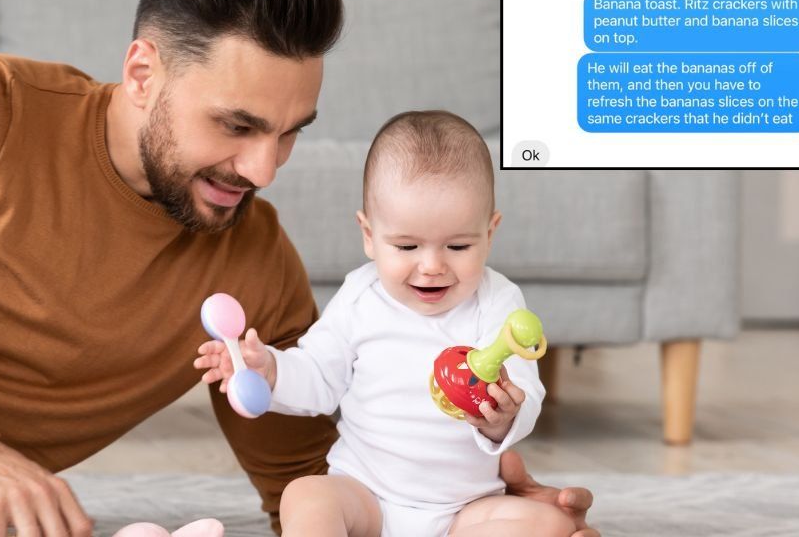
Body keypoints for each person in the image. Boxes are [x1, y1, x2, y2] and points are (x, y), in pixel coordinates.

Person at [0, 0, 598, 536]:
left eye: (290, 132)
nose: (263, 169)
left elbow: (310, 477)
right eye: (237, 125)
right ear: (142, 75)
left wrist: (479, 505)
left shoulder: (255, 259)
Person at [195, 111, 577, 537]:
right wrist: (270, 370)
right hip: (365, 494)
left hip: (464, 509)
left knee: (552, 524)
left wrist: (504, 417)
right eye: (407, 245)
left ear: (490, 233)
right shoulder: (360, 297)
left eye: (458, 245)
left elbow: (525, 387)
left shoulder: (499, 302)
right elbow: (320, 375)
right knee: (304, 495)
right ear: (369, 235)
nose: (431, 266)